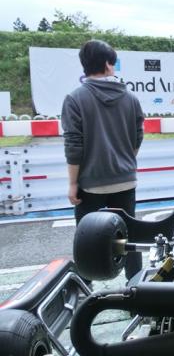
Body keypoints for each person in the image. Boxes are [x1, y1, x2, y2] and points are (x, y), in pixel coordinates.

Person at [61, 39, 144, 280]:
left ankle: (86, 289)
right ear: (108, 65)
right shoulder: (130, 98)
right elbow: (137, 137)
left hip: (91, 183)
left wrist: (73, 183)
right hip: (125, 180)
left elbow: (74, 145)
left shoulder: (75, 99)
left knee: (88, 240)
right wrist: (124, 161)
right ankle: (136, 286)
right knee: (129, 237)